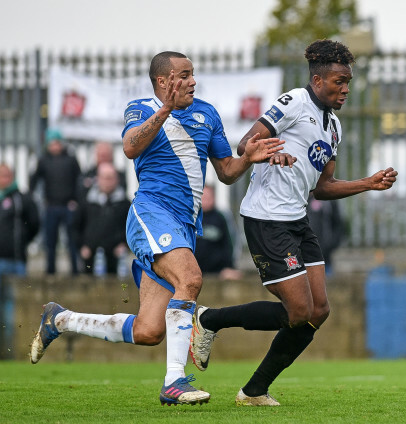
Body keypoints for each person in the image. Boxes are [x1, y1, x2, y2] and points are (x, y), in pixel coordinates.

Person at [29, 51, 290, 406]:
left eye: (193, 74)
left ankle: (60, 320)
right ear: (164, 81)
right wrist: (164, 111)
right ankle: (174, 382)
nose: (192, 81)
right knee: (191, 279)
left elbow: (226, 172)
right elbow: (131, 147)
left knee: (148, 331)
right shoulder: (140, 107)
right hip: (151, 215)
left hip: (183, 227)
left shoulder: (207, 113)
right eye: (184, 75)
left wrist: (247, 158)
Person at [189, 39, 398, 406]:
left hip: (297, 220)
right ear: (317, 80)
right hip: (266, 219)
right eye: (339, 81)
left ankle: (254, 391)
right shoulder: (294, 102)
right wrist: (267, 153)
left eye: (348, 82)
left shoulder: (334, 127)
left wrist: (368, 183)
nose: (345, 89)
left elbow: (322, 188)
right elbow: (245, 144)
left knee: (319, 311)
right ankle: (210, 320)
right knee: (298, 311)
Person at [29, 128, 82, 275]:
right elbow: (34, 179)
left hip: (68, 206)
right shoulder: (43, 160)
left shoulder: (71, 159)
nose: (55, 147)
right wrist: (32, 196)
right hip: (51, 206)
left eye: (57, 143)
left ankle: (75, 271)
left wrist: (76, 201)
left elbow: (79, 180)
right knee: (50, 242)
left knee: (71, 240)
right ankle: (50, 271)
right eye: (52, 144)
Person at [0, 164, 39, 359]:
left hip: (15, 261)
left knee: (13, 311)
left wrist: (22, 241)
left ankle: (11, 353)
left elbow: (34, 224)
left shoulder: (21, 199)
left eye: (6, 175)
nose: (3, 179)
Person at [74, 162, 131, 275]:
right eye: (105, 178)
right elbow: (76, 226)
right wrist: (81, 246)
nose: (107, 182)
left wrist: (125, 244)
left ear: (117, 180)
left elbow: (131, 228)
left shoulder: (124, 203)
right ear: (98, 179)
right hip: (90, 253)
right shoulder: (87, 202)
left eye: (111, 178)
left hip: (116, 254)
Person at [194, 185, 242, 280]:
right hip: (193, 272)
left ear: (214, 198)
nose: (206, 200)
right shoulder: (191, 218)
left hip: (217, 273)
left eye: (208, 197)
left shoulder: (221, 217)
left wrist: (229, 267)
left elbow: (230, 243)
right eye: (203, 197)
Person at [306, 194, 344, 276]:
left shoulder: (329, 202)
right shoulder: (302, 200)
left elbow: (338, 224)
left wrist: (331, 245)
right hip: (305, 256)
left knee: (326, 285)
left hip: (325, 256)